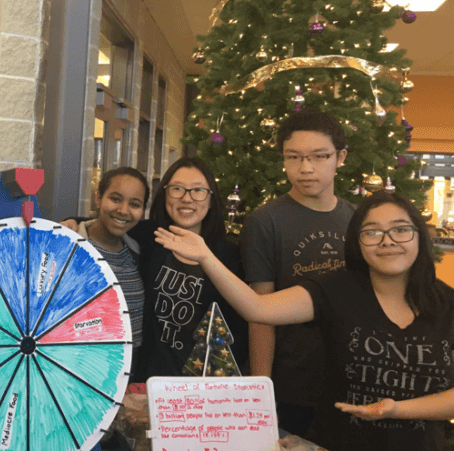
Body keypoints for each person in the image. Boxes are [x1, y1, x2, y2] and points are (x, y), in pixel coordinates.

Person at [156, 191, 454, 451]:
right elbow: (258, 308)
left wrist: (395, 410)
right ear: (358, 242)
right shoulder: (336, 290)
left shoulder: (448, 304)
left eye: (401, 230)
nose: (387, 241)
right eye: (372, 232)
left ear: (419, 235)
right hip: (334, 443)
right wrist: (206, 257)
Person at [241, 110, 355, 435]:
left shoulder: (358, 220)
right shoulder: (265, 222)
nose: (305, 168)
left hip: (349, 381)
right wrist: (260, 393)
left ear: (340, 157)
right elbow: (260, 311)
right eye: (294, 157)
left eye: (319, 157)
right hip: (290, 386)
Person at [131, 157, 247, 378]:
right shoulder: (149, 236)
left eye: (198, 191)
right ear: (165, 194)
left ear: (211, 199)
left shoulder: (229, 256)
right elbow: (110, 224)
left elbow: (239, 330)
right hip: (148, 381)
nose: (187, 198)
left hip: (203, 386)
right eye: (177, 189)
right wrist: (75, 221)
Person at [75, 167, 148, 373]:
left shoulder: (138, 252)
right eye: (115, 199)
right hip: (80, 371)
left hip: (129, 374)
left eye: (134, 204)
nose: (123, 210)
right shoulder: (71, 246)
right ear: (98, 199)